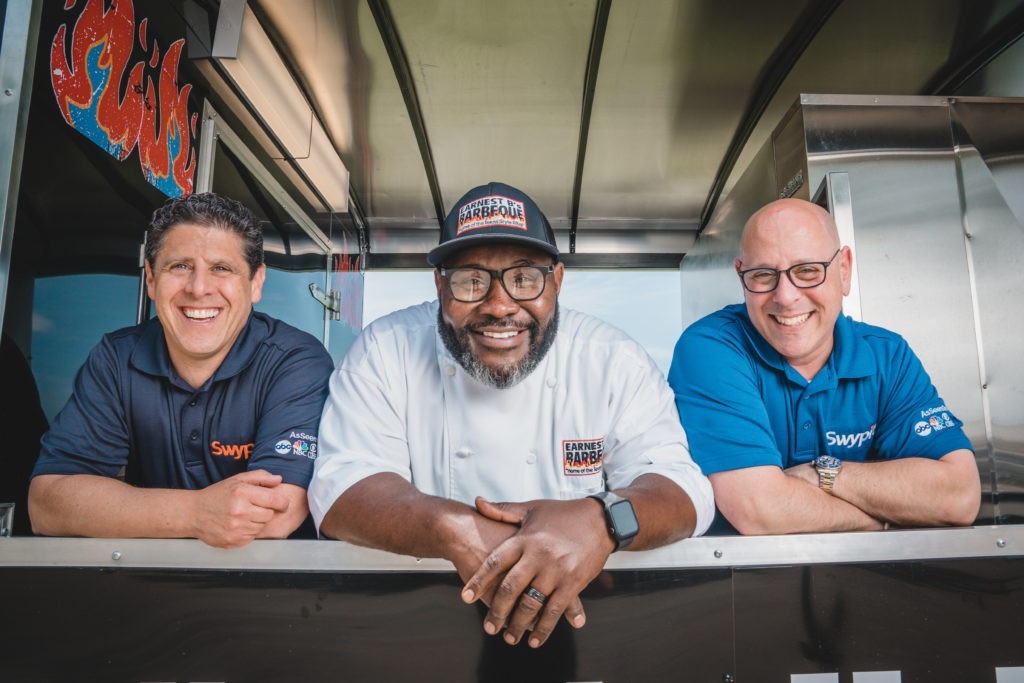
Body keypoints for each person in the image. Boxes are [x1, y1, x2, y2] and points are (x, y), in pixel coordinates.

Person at [309, 181, 714, 649]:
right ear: (440, 284)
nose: (500, 306)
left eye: (524, 278)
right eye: (471, 280)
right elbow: (342, 489)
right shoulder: (386, 349)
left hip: (584, 632)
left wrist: (601, 520)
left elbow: (683, 489)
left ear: (557, 281)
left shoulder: (611, 357)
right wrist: (454, 528)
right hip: (417, 632)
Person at [29, 192, 334, 548]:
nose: (198, 288)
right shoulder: (116, 357)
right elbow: (47, 504)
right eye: (180, 267)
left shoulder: (294, 360)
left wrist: (122, 508)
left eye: (221, 268)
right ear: (151, 279)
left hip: (275, 591)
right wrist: (196, 512)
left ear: (255, 283)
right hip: (153, 587)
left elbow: (277, 514)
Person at [668, 197, 980, 535]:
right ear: (741, 275)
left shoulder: (887, 356)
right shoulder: (712, 348)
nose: (785, 297)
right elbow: (759, 510)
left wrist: (822, 473)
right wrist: (884, 518)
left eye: (807, 271)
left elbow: (959, 497)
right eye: (762, 275)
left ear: (844, 270)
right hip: (734, 582)